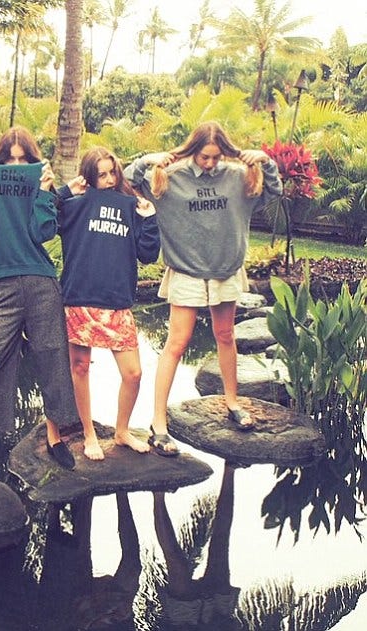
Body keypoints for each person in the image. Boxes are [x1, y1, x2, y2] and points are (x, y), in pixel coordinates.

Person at [124, 121, 282, 456]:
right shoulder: (172, 177)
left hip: (225, 269)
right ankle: (158, 423)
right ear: (193, 150)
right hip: (187, 271)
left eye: (216, 156)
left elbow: (273, 192)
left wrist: (265, 161)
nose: (210, 163)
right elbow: (128, 180)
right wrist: (147, 160)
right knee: (176, 343)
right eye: (204, 156)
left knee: (226, 335)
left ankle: (232, 402)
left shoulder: (239, 177)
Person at [0, 126, 79, 491]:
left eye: (25, 159)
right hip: (2, 283)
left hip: (40, 281)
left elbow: (44, 233)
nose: (17, 164)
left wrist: (43, 191)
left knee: (52, 358)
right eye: (10, 159)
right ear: (0, 159)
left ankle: (56, 438)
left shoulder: (44, 186)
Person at [57, 147, 160, 460]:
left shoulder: (131, 207)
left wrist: (149, 218)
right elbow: (41, 219)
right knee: (80, 367)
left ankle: (122, 430)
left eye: (111, 172)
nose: (108, 179)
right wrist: (63, 192)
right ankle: (88, 433)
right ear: (89, 176)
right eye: (100, 174)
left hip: (117, 302)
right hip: (80, 298)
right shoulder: (74, 206)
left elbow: (148, 254)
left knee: (133, 374)